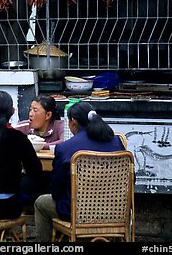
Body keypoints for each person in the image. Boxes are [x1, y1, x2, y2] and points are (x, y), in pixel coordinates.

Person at [33, 100, 126, 242]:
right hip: (115, 211)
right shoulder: (117, 142)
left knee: (41, 203)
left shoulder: (65, 148)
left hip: (77, 211)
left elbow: (56, 189)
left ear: (73, 122)